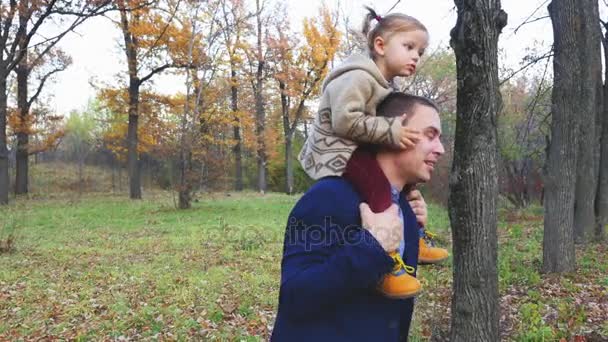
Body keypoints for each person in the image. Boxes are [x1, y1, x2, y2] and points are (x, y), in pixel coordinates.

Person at [298, 6, 447, 299]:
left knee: (406, 185)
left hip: (355, 143)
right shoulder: (357, 77)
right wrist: (392, 130)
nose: (416, 56)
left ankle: (414, 239)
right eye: (409, 47)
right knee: (379, 189)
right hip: (336, 148)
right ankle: (388, 263)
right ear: (380, 45)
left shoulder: (381, 83)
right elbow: (344, 121)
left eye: (421, 51)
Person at [272, 92, 446, 341]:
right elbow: (295, 298)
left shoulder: (406, 213)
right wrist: (371, 247)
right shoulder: (327, 196)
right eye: (430, 135)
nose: (440, 149)